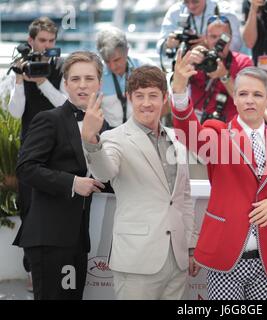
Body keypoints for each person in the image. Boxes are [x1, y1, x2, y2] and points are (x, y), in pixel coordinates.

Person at [172, 54, 267, 300]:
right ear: (235, 98)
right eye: (243, 94)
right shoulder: (218, 133)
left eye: (257, 95)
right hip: (225, 256)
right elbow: (188, 133)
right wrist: (180, 93)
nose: (249, 100)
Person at [81, 65, 199, 300]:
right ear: (129, 98)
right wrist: (90, 140)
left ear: (164, 98)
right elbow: (104, 172)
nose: (147, 103)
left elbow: (182, 198)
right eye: (140, 96)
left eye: (153, 95)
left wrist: (190, 246)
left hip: (177, 260)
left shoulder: (176, 139)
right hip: (137, 261)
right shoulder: (113, 138)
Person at [15, 51, 108, 300]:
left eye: (89, 78)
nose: (82, 85)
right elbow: (26, 168)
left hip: (79, 239)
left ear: (99, 83)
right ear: (65, 84)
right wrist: (72, 183)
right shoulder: (49, 120)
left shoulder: (104, 125)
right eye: (75, 79)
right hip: (49, 236)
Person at [7, 17, 67, 287]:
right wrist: (20, 79)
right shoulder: (21, 67)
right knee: (29, 209)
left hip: (59, 148)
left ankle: (56, 268)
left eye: (51, 41)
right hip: (30, 148)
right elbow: (15, 112)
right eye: (42, 40)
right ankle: (32, 270)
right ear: (31, 41)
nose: (47, 46)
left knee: (58, 208)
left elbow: (65, 105)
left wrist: (42, 81)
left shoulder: (62, 68)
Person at [188, 15, 253, 123]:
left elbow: (247, 101)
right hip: (199, 127)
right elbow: (175, 92)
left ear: (231, 38)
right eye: (213, 37)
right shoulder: (196, 60)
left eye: (223, 38)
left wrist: (224, 76)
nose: (219, 43)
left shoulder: (243, 62)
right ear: (205, 38)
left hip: (232, 129)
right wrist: (187, 64)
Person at [96, 27, 156, 128]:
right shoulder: (96, 76)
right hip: (111, 134)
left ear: (127, 51)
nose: (112, 66)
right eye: (107, 61)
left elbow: (164, 103)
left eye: (116, 60)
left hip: (144, 130)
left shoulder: (148, 68)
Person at [158, 0, 242, 55]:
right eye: (186, 2)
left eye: (195, 1)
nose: (190, 6)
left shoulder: (224, 11)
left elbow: (236, 46)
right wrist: (168, 44)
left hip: (216, 66)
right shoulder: (175, 12)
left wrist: (209, 43)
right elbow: (159, 48)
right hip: (186, 66)